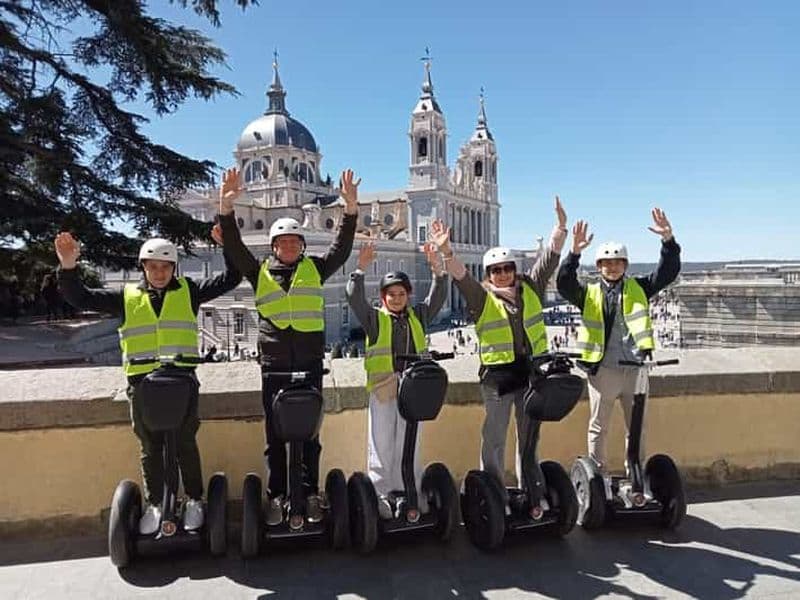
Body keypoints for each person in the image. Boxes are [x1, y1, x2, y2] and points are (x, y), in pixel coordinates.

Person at [55, 225, 241, 535]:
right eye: (152, 267)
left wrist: (228, 247)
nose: (159, 273)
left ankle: (194, 499)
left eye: (165, 267)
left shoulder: (189, 291)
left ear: (173, 268)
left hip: (181, 380)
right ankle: (156, 503)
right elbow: (80, 297)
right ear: (143, 268)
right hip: (141, 384)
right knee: (150, 446)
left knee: (184, 443)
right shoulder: (126, 297)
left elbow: (230, 279)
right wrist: (68, 265)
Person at [218, 166, 360, 526]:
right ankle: (276, 495)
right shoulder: (259, 272)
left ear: (302, 246)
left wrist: (351, 209)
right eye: (283, 243)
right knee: (275, 438)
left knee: (310, 437)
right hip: (275, 368)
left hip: (310, 365)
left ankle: (310, 493)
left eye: (296, 242)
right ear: (274, 247)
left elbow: (342, 249)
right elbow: (234, 247)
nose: (290, 247)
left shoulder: (316, 268)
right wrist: (226, 207)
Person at [428, 197, 568, 502]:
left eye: (507, 268)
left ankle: (533, 489)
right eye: (496, 270)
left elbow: (548, 261)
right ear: (489, 274)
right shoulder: (482, 298)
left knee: (530, 437)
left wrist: (560, 229)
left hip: (532, 373)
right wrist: (447, 252)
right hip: (498, 377)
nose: (503, 274)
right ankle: (493, 494)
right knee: (494, 438)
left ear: (515, 271)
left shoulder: (530, 288)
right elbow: (462, 278)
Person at [556, 208, 681, 475]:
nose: (612, 267)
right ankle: (597, 477)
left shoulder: (639, 287)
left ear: (626, 265)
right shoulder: (587, 293)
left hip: (636, 369)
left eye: (618, 263)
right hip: (604, 371)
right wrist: (575, 253)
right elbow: (564, 283)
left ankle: (635, 474)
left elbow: (667, 272)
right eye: (606, 263)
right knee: (598, 426)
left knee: (636, 427)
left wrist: (668, 241)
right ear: (599, 266)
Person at [345, 240, 447, 519]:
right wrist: (360, 268)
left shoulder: (418, 317)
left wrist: (438, 269)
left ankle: (409, 489)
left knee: (410, 443)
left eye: (401, 293)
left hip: (413, 389)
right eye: (391, 294)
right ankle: (381, 495)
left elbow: (437, 298)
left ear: (408, 295)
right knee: (381, 444)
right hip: (384, 389)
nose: (396, 298)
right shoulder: (375, 319)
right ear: (383, 297)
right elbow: (354, 298)